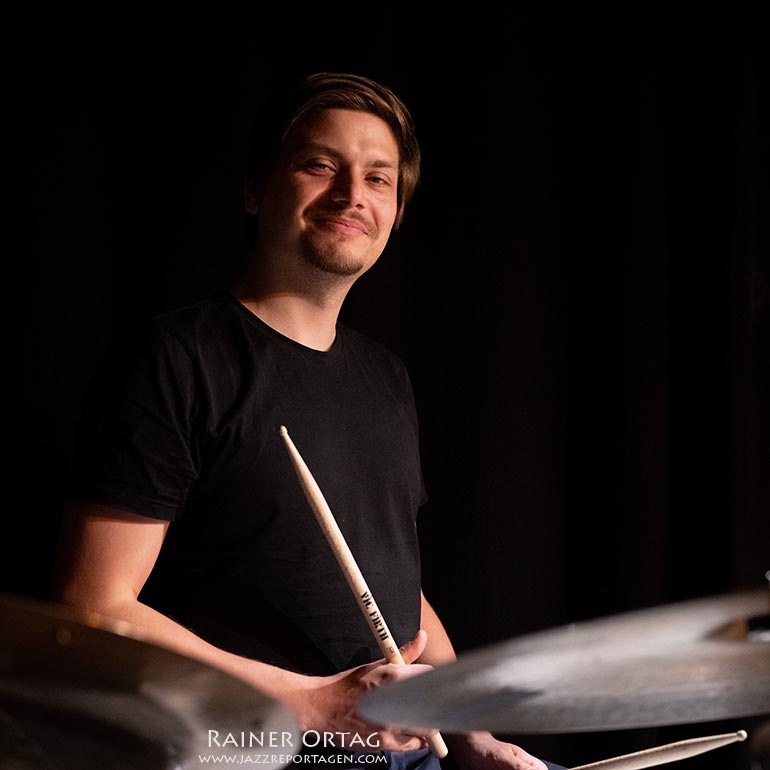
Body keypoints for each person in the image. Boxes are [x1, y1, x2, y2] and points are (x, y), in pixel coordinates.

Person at [52, 72, 564, 770]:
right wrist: (316, 705)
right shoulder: (176, 359)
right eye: (320, 165)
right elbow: (95, 606)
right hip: (247, 749)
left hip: (398, 751)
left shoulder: (385, 377)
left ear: (395, 212)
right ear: (255, 189)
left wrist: (470, 732)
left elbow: (394, 586)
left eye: (378, 178)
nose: (353, 194)